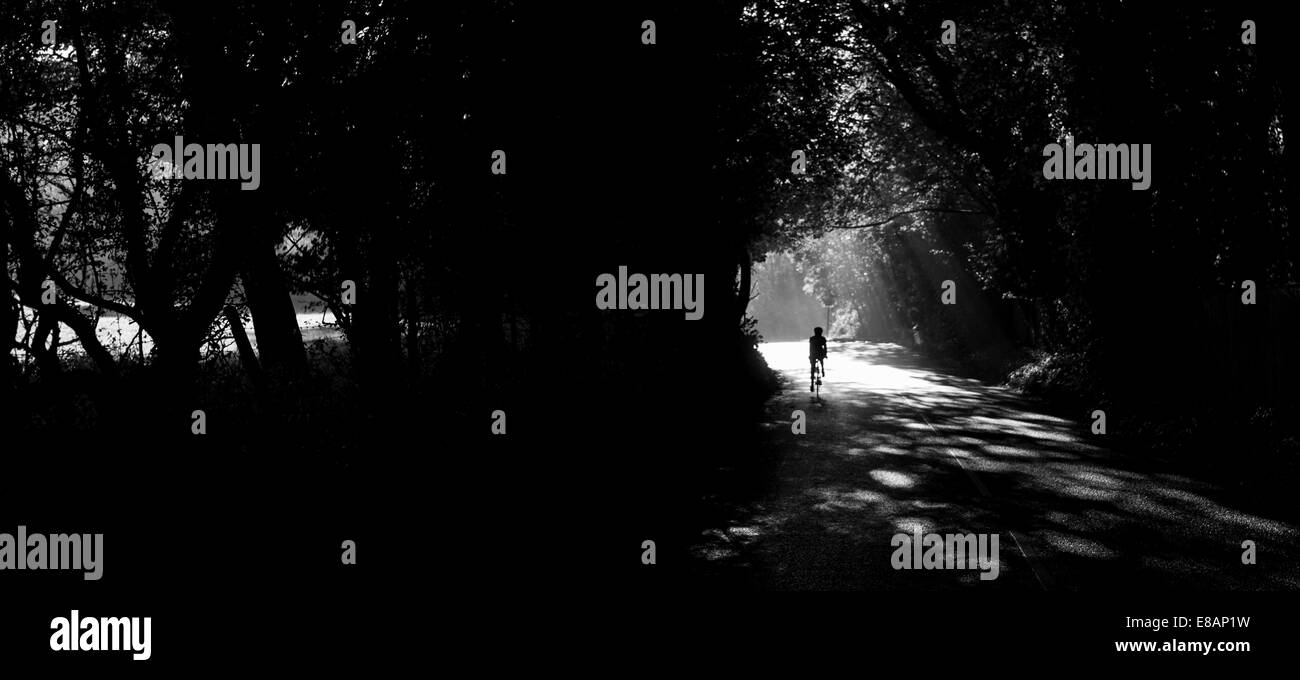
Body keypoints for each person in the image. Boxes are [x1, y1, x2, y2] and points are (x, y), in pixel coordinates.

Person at [808, 326, 827, 391]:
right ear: (821, 332)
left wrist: (810, 355)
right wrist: (825, 354)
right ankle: (822, 370)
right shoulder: (823, 338)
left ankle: (812, 375)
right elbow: (825, 347)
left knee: (812, 365)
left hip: (813, 353)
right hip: (820, 353)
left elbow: (810, 348)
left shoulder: (812, 338)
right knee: (821, 361)